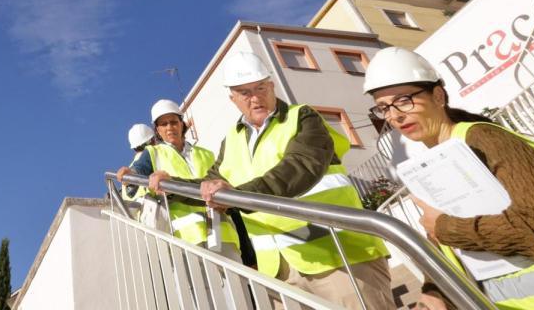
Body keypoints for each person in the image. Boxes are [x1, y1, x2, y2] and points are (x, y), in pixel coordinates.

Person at [158, 51, 392, 310]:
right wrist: (170, 187)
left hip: (340, 258)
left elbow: (300, 167)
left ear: (272, 85)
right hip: (280, 273)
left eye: (261, 87)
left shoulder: (303, 117)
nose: (255, 97)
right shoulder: (233, 140)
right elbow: (211, 183)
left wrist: (236, 196)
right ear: (232, 98)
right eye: (245, 92)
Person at [364, 46, 534, 310]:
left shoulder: (486, 140)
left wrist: (446, 228)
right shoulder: (433, 163)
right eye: (383, 108)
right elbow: (451, 247)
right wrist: (434, 290)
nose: (395, 115)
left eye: (403, 100)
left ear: (437, 96)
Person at [116, 99, 240, 257]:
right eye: (164, 124)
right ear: (157, 131)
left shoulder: (206, 154)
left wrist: (247, 250)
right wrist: (131, 174)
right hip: (185, 239)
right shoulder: (153, 153)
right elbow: (138, 171)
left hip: (223, 234)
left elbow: (227, 190)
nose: (170, 127)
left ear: (182, 124)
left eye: (174, 122)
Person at [123, 123, 155, 200]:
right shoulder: (154, 157)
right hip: (158, 206)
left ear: (134, 148)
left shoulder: (128, 170)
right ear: (152, 141)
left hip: (134, 210)